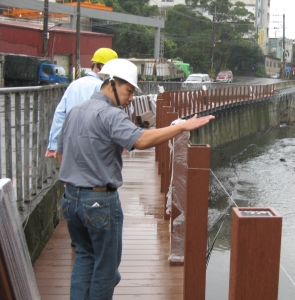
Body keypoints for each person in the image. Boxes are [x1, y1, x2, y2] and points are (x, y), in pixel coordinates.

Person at [57, 58, 214, 299]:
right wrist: (182, 127)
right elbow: (140, 140)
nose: (131, 98)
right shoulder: (111, 114)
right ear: (111, 84)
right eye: (128, 91)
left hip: (70, 199)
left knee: (85, 257)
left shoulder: (75, 112)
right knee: (107, 270)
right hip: (99, 201)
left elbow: (61, 155)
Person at [45, 47, 118, 158]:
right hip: (94, 144)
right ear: (99, 67)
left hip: (71, 142)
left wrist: (53, 145)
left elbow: (60, 114)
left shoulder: (74, 85)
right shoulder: (104, 88)